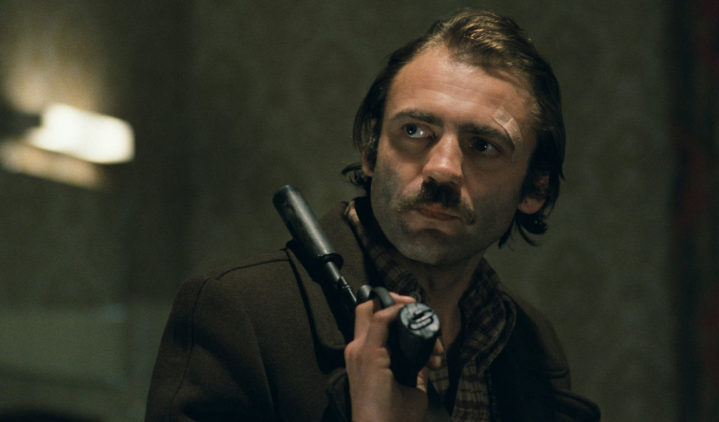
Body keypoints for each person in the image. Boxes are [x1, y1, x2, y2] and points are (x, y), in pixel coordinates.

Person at [146, 8, 600, 422]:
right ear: (370, 149)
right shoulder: (241, 312)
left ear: (534, 189)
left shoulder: (530, 340)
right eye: (415, 131)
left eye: (483, 145)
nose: (442, 168)